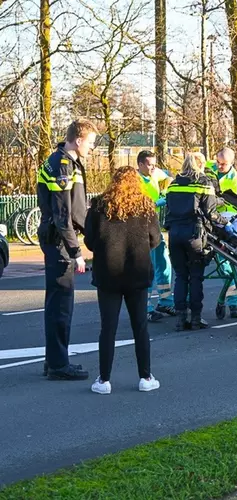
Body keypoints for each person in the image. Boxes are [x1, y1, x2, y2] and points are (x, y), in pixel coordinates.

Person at [83, 167, 162, 394]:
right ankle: (145, 377)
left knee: (108, 328)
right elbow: (155, 239)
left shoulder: (99, 206)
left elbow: (90, 240)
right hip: (137, 273)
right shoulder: (146, 206)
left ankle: (104, 380)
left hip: (108, 273)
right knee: (140, 327)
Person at [37, 119, 97, 380]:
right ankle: (59, 365)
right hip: (59, 242)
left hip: (56, 239)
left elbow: (75, 210)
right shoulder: (62, 166)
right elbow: (64, 215)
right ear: (79, 139)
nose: (92, 148)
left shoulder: (61, 161)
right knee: (61, 305)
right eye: (91, 143)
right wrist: (76, 251)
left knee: (56, 304)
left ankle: (53, 361)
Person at [165, 152, 231, 330]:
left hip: (175, 234)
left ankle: (180, 318)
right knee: (195, 277)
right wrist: (227, 222)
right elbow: (211, 213)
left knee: (180, 276)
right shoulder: (203, 182)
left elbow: (168, 211)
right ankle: (195, 318)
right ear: (200, 165)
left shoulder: (173, 184)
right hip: (194, 234)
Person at [136, 150, 176, 322]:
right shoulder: (135, 181)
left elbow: (169, 174)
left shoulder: (154, 173)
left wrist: (167, 187)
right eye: (149, 164)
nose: (153, 168)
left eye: (154, 164)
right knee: (147, 267)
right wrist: (159, 201)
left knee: (163, 262)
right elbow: (136, 206)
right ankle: (145, 307)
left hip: (154, 226)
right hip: (141, 226)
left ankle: (166, 301)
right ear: (140, 165)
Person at [212, 147, 237, 317]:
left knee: (228, 266)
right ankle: (230, 302)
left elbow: (236, 206)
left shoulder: (236, 180)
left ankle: (233, 303)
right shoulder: (211, 173)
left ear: (231, 163)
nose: (219, 166)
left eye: (222, 163)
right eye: (217, 162)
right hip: (212, 224)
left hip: (226, 225)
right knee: (224, 267)